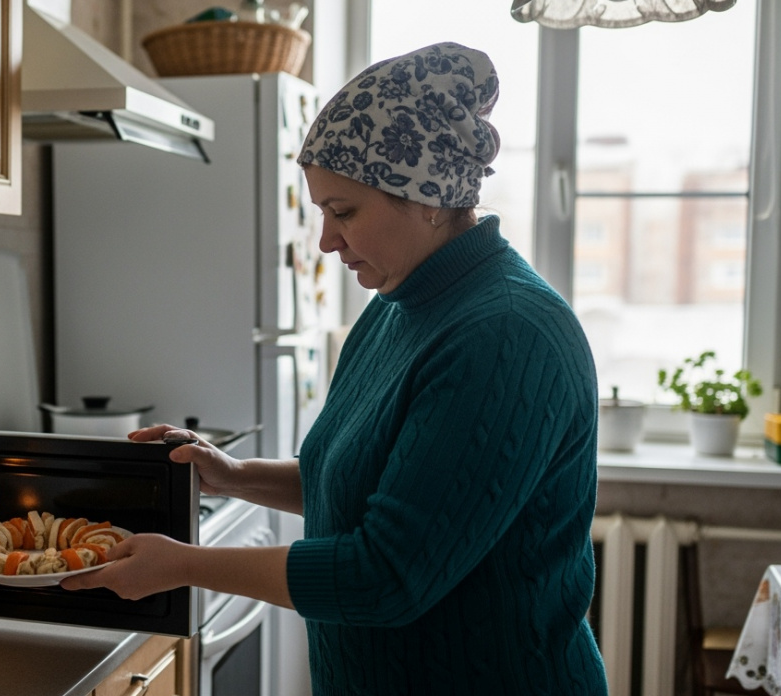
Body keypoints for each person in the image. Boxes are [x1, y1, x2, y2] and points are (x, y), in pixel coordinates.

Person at [63, 41, 608, 694]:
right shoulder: (394, 308)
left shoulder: (507, 334)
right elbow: (370, 488)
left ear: (429, 195)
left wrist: (183, 564)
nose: (325, 241)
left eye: (343, 211)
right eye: (321, 211)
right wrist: (232, 475)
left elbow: (387, 575)